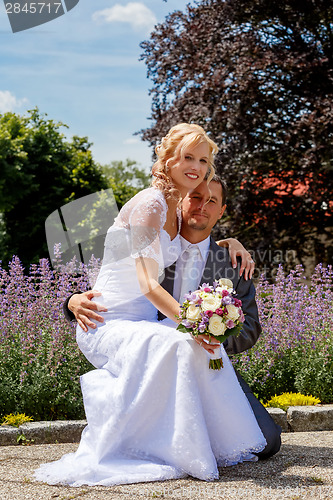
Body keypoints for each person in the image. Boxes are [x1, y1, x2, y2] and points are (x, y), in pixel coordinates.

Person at [34, 123, 266, 487]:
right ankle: (175, 451)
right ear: (168, 158)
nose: (196, 166)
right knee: (177, 340)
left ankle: (199, 443)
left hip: (144, 323)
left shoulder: (176, 212)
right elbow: (144, 283)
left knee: (184, 345)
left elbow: (195, 238)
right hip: (106, 321)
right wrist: (197, 325)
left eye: (203, 160)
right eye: (187, 156)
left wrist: (230, 241)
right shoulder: (150, 204)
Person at [64, 176, 281, 460]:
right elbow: (114, 285)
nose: (202, 206)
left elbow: (250, 327)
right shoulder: (159, 244)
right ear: (181, 201)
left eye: (212, 201)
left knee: (266, 442)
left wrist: (208, 337)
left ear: (221, 211)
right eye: (195, 197)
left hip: (209, 365)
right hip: (150, 361)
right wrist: (71, 301)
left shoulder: (233, 262)